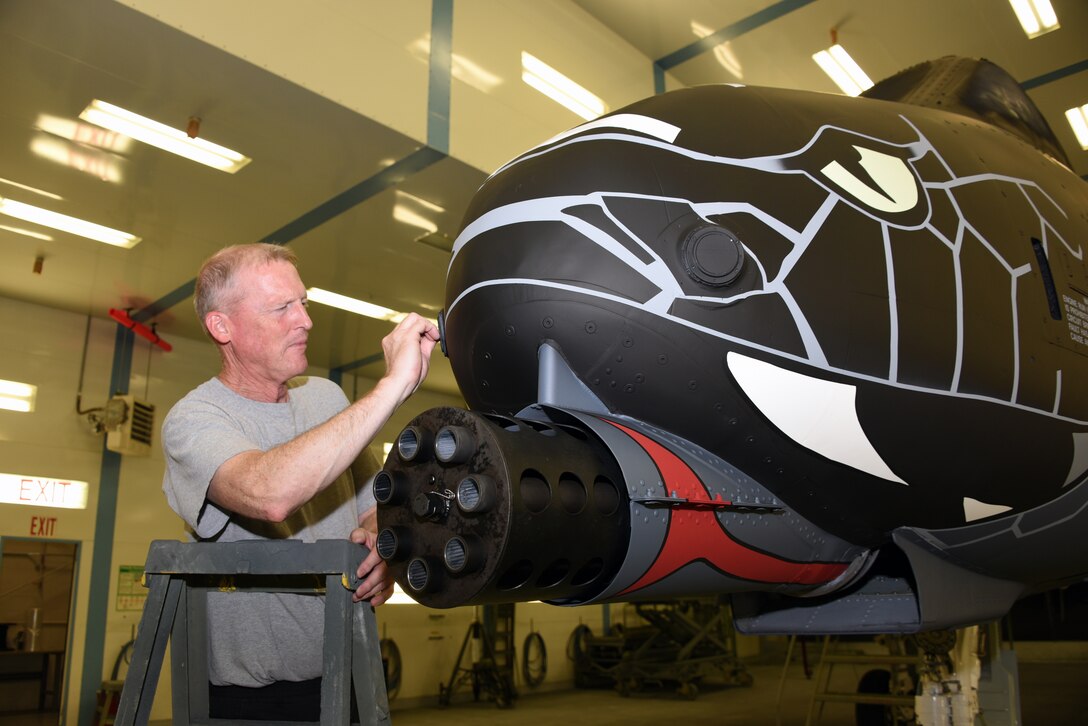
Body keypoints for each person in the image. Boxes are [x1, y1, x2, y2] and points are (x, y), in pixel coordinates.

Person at [161, 242, 439, 720]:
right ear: (221, 326)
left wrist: (379, 543)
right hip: (253, 697)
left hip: (350, 665)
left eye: (304, 303)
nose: (305, 320)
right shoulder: (194, 419)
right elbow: (269, 495)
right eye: (282, 307)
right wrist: (393, 385)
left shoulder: (326, 397)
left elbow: (372, 501)